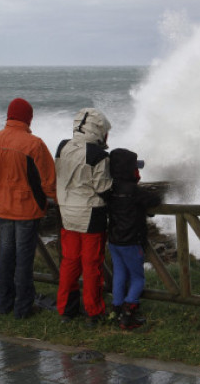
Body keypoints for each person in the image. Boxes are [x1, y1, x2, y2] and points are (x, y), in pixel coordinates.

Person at [0, 98, 57, 319]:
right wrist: (58, 199)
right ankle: (23, 309)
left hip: (3, 208)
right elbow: (48, 182)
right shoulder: (34, 144)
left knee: (5, 258)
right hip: (27, 210)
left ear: (9, 115)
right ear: (28, 117)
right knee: (24, 261)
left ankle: (4, 304)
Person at [54, 108, 112, 327]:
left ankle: (66, 311)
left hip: (67, 213)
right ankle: (92, 311)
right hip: (91, 215)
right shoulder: (98, 156)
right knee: (91, 265)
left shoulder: (62, 146)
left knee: (69, 263)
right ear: (98, 130)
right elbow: (103, 189)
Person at [107, 148, 161, 329]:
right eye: (136, 168)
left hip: (114, 241)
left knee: (120, 274)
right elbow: (155, 199)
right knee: (138, 279)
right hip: (131, 242)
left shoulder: (109, 188)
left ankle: (116, 308)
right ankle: (128, 314)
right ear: (130, 170)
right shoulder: (134, 191)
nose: (138, 172)